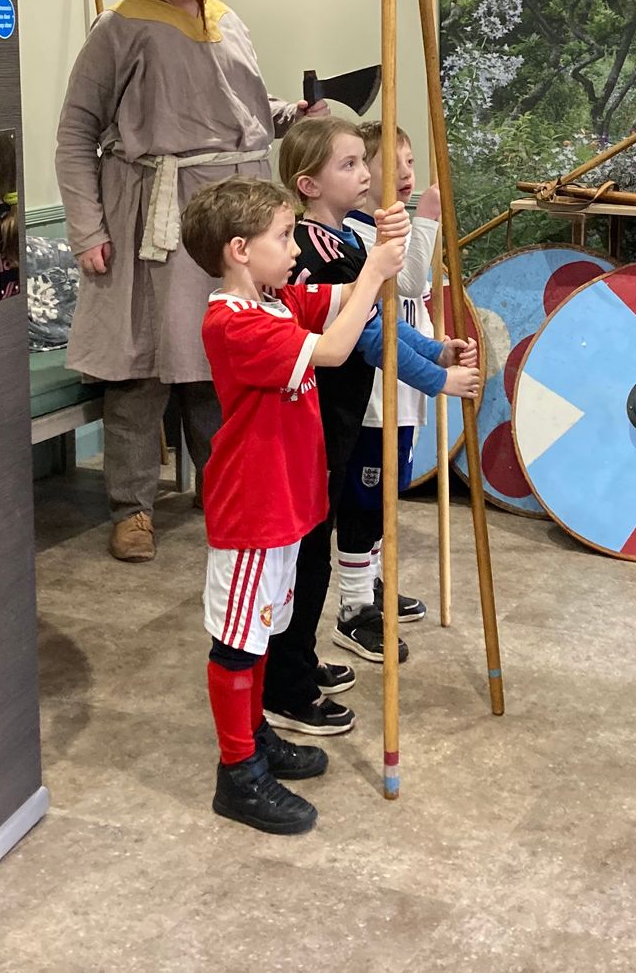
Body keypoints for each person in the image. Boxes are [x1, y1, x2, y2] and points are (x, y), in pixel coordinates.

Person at [55, 0, 319, 563]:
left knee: (217, 361)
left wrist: (294, 112)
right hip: (153, 215)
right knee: (141, 369)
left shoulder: (228, 21)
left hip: (230, 215)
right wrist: (87, 229)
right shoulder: (120, 26)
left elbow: (248, 110)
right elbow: (75, 133)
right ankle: (133, 509)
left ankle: (223, 489)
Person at [180, 176, 406, 835]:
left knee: (263, 632)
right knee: (238, 643)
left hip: (283, 502)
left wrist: (381, 255)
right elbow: (334, 349)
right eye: (283, 238)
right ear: (239, 250)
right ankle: (238, 773)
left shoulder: (275, 302)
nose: (294, 248)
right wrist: (373, 277)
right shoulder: (233, 322)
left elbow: (332, 300)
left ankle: (255, 738)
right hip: (253, 510)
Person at [262, 116, 480, 735]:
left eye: (365, 162)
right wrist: (438, 380)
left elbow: (384, 314)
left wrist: (434, 350)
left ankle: (298, 659)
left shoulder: (347, 244)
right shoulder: (314, 252)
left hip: (335, 417)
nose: (367, 175)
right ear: (308, 184)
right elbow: (367, 336)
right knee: (305, 556)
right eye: (350, 165)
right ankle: (287, 682)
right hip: (314, 417)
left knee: (316, 548)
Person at [344, 122, 455, 627]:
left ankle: (373, 585)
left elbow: (418, 301)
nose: (407, 175)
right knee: (366, 499)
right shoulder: (360, 232)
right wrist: (427, 220)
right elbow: (408, 281)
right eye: (395, 164)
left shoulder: (392, 225)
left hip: (403, 383)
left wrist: (437, 351)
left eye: (411, 163)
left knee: (388, 491)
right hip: (374, 391)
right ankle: (355, 603)